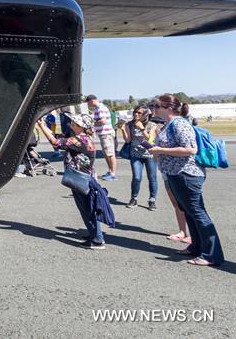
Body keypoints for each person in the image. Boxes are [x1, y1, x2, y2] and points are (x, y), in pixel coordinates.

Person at [148, 94, 224, 266]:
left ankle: (212, 255)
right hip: (176, 173)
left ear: (168, 108)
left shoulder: (179, 124)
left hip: (186, 174)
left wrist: (160, 150)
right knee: (189, 212)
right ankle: (196, 247)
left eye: (157, 106)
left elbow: (190, 149)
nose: (153, 109)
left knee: (197, 212)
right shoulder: (168, 124)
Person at [36, 112, 106, 249]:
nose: (71, 123)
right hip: (84, 177)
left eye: (75, 122)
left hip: (81, 178)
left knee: (87, 209)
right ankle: (94, 234)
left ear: (81, 126)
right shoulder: (81, 138)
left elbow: (56, 143)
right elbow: (58, 138)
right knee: (87, 208)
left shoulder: (79, 140)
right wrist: (44, 126)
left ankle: (98, 239)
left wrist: (42, 127)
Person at [120, 106, 158, 210]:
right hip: (135, 155)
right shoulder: (130, 124)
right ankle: (134, 199)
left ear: (145, 114)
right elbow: (128, 140)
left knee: (152, 177)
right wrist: (123, 130)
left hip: (150, 154)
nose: (136, 114)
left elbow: (150, 141)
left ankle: (152, 200)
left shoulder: (152, 125)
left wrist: (141, 128)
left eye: (139, 113)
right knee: (137, 177)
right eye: (135, 112)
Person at [86, 94, 117, 181]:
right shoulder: (98, 108)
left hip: (106, 134)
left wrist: (92, 123)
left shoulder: (100, 108)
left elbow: (103, 121)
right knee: (107, 154)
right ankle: (110, 171)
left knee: (110, 154)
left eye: (88, 103)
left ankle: (113, 173)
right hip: (104, 134)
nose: (88, 105)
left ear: (92, 101)